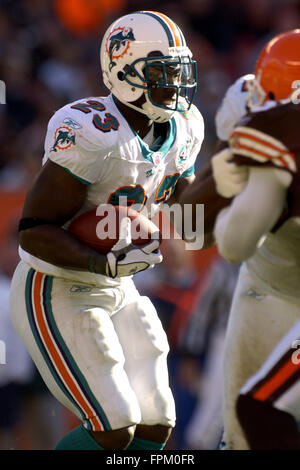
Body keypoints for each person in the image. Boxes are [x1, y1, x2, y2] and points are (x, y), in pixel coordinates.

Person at [10, 11, 204, 450]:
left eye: (179, 71)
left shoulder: (186, 127)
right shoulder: (91, 131)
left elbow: (184, 204)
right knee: (114, 427)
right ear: (123, 71)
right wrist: (103, 259)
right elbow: (33, 231)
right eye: (161, 72)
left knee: (157, 424)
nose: (175, 84)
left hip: (118, 282)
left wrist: (232, 190)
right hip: (55, 285)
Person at [211, 29, 300, 449]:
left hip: (269, 278)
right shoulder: (251, 111)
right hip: (270, 286)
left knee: (257, 416)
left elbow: (232, 242)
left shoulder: (274, 131)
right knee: (246, 432)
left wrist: (234, 200)